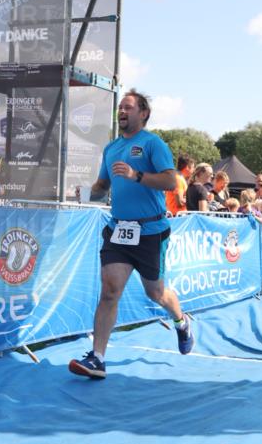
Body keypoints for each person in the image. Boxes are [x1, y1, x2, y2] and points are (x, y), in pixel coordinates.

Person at [69, 91, 193, 379]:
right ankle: (97, 358)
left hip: (150, 231)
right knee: (110, 290)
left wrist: (137, 176)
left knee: (156, 293)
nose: (122, 111)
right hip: (119, 229)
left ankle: (181, 321)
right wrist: (86, 193)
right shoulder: (111, 148)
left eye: (128, 107)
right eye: (120, 107)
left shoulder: (153, 143)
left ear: (143, 113)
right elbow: (102, 185)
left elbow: (171, 181)